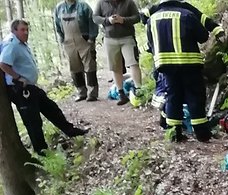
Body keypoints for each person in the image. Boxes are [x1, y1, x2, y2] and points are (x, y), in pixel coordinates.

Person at [0, 20, 88, 155]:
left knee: (51, 108)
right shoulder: (11, 44)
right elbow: (3, 64)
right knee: (33, 122)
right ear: (14, 31)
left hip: (30, 87)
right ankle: (42, 152)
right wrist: (17, 77)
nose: (26, 32)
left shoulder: (20, 43)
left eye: (27, 30)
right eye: (22, 30)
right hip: (20, 89)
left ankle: (70, 131)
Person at [143, 0, 223, 142]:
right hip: (189, 63)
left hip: (166, 66)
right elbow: (203, 37)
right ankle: (202, 134)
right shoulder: (186, 14)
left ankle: (174, 134)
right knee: (195, 97)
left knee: (173, 98)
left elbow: (150, 44)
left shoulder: (152, 19)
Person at [93, 0, 142, 105]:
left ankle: (139, 91)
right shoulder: (101, 3)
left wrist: (123, 20)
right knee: (115, 67)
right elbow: (95, 18)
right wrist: (108, 20)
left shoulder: (128, 2)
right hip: (109, 39)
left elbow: (137, 17)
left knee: (133, 63)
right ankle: (121, 94)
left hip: (127, 38)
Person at [53, 0, 99, 102]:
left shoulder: (83, 6)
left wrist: (91, 38)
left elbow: (93, 22)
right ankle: (81, 92)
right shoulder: (59, 8)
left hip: (84, 40)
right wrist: (62, 38)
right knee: (74, 68)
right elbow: (57, 24)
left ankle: (92, 93)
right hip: (68, 41)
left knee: (90, 66)